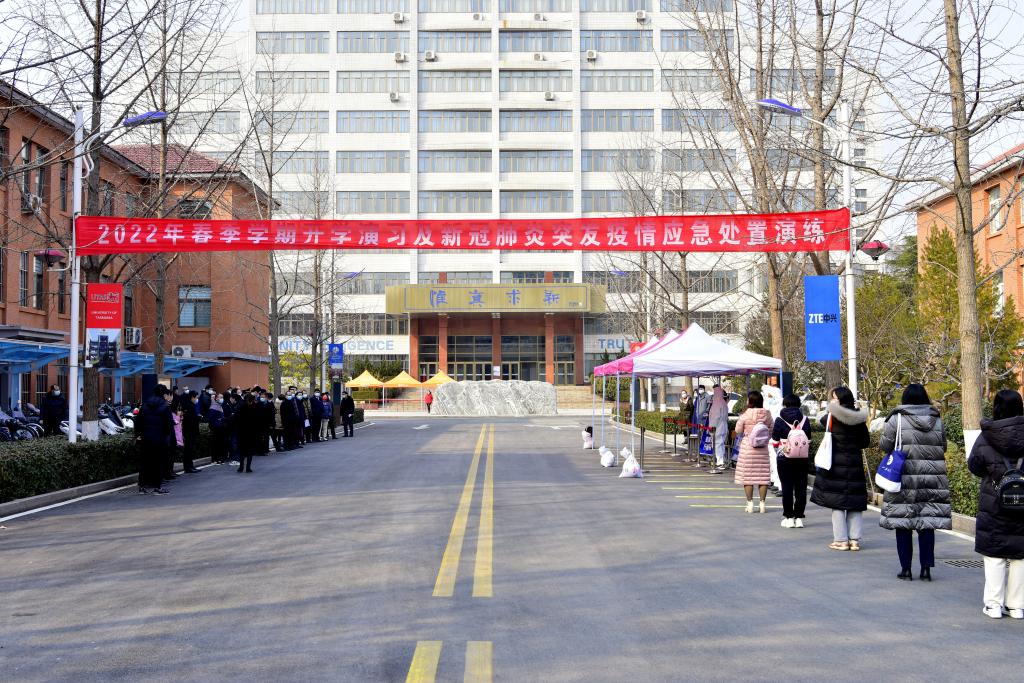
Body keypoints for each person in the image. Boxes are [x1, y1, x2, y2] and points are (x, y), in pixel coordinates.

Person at [878, 384, 950, 581]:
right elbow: (943, 446)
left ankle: (906, 569)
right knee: (927, 522)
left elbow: (885, 445)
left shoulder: (897, 419)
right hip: (931, 477)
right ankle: (926, 570)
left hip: (903, 477)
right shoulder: (936, 419)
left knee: (903, 523)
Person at [968, 389, 1024, 619]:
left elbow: (974, 465)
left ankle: (993, 605)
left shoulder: (987, 435)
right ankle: (1017, 606)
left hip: (993, 501)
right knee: (1020, 555)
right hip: (1023, 503)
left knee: (994, 554)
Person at [811, 386, 871, 551]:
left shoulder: (831, 417)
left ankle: (841, 541)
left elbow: (820, 420)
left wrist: (830, 408)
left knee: (837, 503)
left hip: (835, 465)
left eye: (834, 398)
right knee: (855, 502)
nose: (832, 400)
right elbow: (865, 442)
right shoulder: (859, 418)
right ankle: (854, 540)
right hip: (854, 465)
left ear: (840, 400)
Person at [772, 393, 809, 528]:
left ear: (785, 404)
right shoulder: (805, 419)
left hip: (784, 457)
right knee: (801, 488)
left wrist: (781, 448)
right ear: (799, 404)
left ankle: (788, 518)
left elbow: (775, 441)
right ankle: (799, 518)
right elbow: (809, 440)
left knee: (786, 487)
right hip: (802, 458)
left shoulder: (779, 419)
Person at [734, 391, 773, 513]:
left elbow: (738, 430)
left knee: (748, 478)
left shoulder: (745, 414)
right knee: (763, 478)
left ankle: (750, 504)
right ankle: (762, 504)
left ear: (750, 401)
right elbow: (771, 430)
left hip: (748, 448)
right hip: (762, 449)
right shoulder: (767, 414)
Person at [134, 386, 174, 495]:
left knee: (145, 462)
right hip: (159, 439)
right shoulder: (165, 406)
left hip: (146, 438)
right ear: (164, 394)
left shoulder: (145, 405)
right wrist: (166, 435)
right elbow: (169, 424)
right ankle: (157, 487)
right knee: (159, 463)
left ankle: (142, 486)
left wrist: (139, 434)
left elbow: (138, 421)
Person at [236, 393, 261, 473]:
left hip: (242, 432)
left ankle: (241, 467)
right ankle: (248, 467)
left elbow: (236, 418)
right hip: (251, 433)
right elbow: (257, 420)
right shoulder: (254, 408)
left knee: (242, 451)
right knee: (250, 451)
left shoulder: (241, 407)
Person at [708, 385, 730, 474]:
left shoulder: (716, 404)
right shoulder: (723, 403)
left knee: (717, 444)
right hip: (724, 426)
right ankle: (722, 460)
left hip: (717, 427)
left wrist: (711, 427)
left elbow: (715, 417)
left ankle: (720, 462)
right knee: (721, 444)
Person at [181, 391, 201, 474]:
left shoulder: (191, 405)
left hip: (190, 431)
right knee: (188, 449)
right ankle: (188, 467)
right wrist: (198, 417)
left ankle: (190, 466)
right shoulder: (189, 406)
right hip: (189, 431)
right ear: (192, 397)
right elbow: (190, 420)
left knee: (190, 449)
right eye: (196, 397)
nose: (197, 399)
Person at [208, 393, 228, 464]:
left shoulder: (220, 406)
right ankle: (214, 459)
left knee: (220, 444)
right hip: (216, 428)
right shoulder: (213, 407)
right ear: (216, 398)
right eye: (220, 397)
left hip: (221, 428)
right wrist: (217, 422)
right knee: (215, 444)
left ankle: (219, 458)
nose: (222, 399)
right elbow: (210, 419)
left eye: (222, 397)